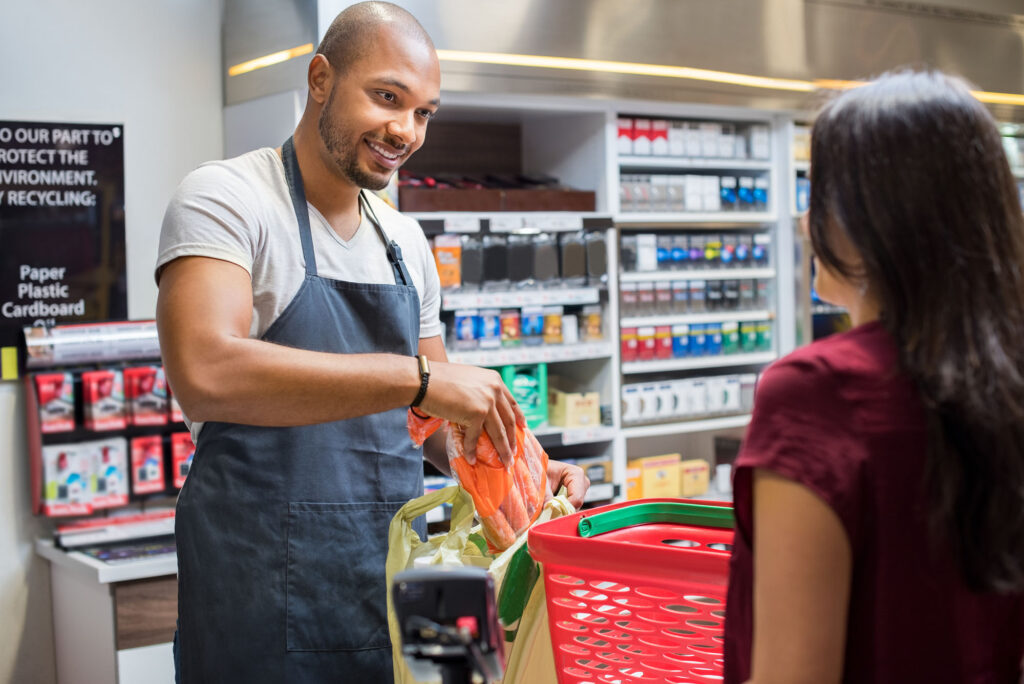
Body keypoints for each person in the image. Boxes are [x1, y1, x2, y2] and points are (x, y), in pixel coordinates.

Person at [155, 3, 588, 681]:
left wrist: (521, 474)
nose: (405, 131)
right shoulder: (228, 199)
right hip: (261, 598)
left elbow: (444, 430)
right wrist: (416, 379)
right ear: (320, 79)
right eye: (387, 97)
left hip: (402, 589)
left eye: (424, 113)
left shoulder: (404, 242)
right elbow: (205, 369)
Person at [723, 70, 1024, 683]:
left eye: (817, 196)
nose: (806, 224)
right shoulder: (1007, 376)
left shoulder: (817, 392)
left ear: (867, 220)